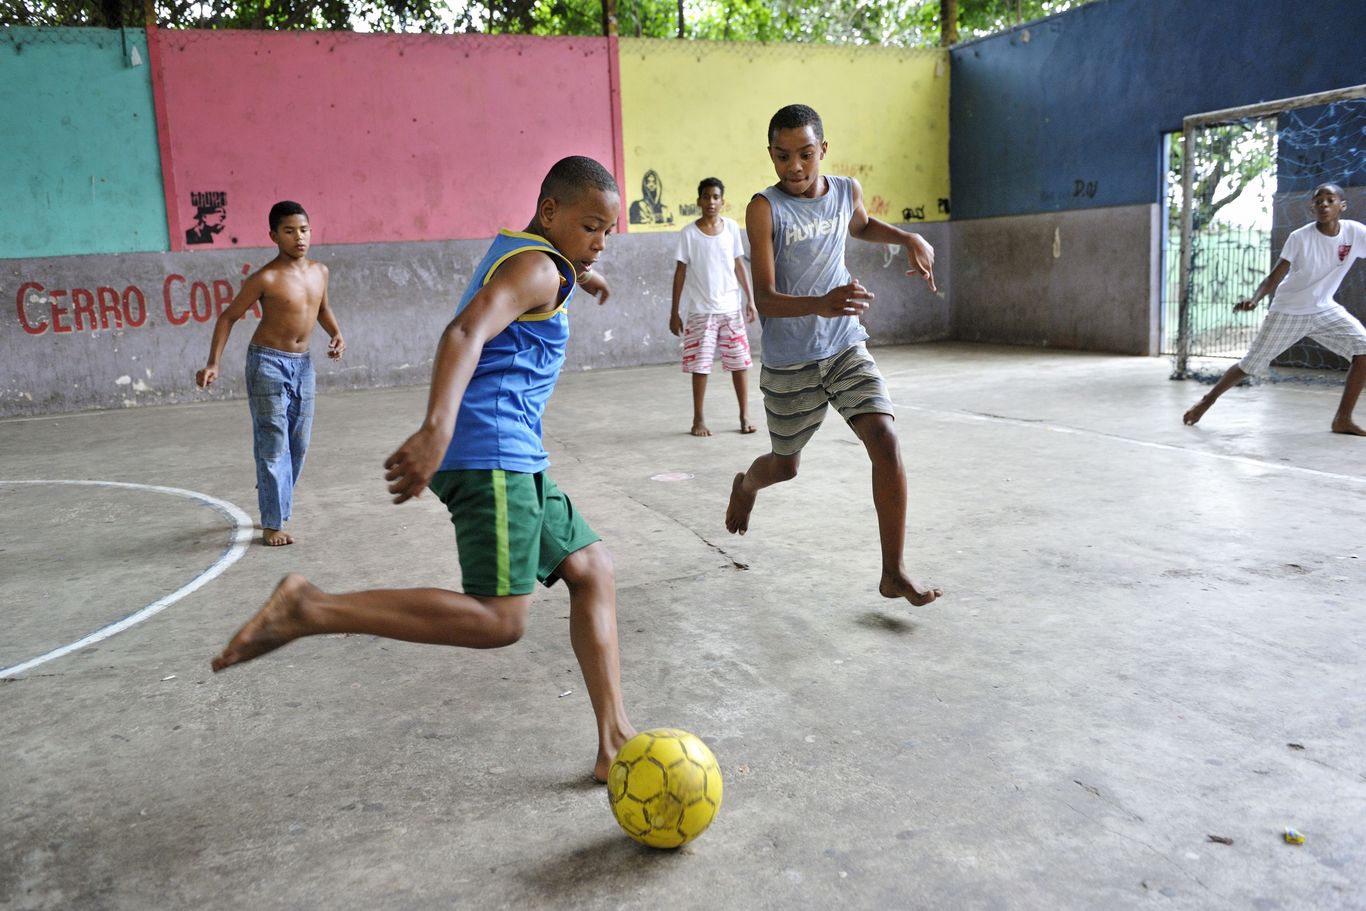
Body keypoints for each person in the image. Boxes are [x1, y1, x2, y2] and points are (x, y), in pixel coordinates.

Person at [210, 157, 635, 783]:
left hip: (515, 453)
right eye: (592, 227)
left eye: (609, 232)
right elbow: (465, 330)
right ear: (550, 214)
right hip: (491, 450)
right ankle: (312, 609)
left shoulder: (541, 260)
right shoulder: (538, 266)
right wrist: (436, 428)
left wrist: (583, 278)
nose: (601, 241)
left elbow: (538, 285)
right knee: (500, 619)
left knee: (592, 569)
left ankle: (614, 740)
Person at [724, 104, 942, 607]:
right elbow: (766, 298)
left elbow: (860, 225)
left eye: (805, 154)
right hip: (790, 360)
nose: (794, 168)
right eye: (782, 157)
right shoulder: (765, 207)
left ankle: (893, 572)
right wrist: (819, 304)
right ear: (771, 156)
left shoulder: (845, 191)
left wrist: (907, 236)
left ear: (823, 150)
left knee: (884, 438)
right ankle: (746, 485)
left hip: (844, 343)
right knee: (785, 466)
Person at [196, 201, 345, 546]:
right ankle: (273, 523)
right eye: (289, 231)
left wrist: (336, 333)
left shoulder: (320, 271)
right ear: (274, 236)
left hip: (304, 365)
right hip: (267, 363)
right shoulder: (265, 278)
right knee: (273, 443)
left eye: (304, 229)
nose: (299, 237)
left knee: (298, 444)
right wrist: (213, 363)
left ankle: (270, 489)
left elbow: (322, 308)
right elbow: (228, 317)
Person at [1183, 183, 1366, 435]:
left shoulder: (1355, 233)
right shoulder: (1300, 237)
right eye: (1318, 200)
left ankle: (1342, 419)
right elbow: (1273, 277)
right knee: (1250, 365)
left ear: (1341, 206)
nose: (1324, 204)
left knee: (1363, 351)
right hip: (1289, 310)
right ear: (1311, 207)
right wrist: (1256, 299)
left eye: (1330, 199)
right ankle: (1207, 401)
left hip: (1324, 309)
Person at [670, 177, 759, 436]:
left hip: (731, 309)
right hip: (700, 312)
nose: (711, 202)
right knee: (700, 366)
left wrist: (750, 300)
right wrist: (674, 311)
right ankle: (698, 419)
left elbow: (739, 265)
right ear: (699, 201)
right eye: (706, 197)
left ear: (723, 201)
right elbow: (680, 272)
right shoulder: (688, 234)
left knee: (739, 364)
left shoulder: (731, 228)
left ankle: (744, 416)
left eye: (715, 197)